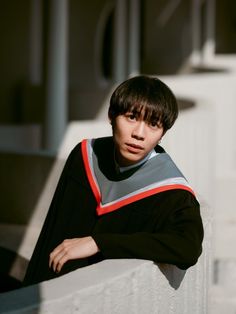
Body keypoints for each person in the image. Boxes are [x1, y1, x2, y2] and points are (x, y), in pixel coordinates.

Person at [23, 75, 203, 286]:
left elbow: (188, 249)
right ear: (111, 116)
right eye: (132, 117)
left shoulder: (172, 191)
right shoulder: (84, 156)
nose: (139, 134)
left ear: (162, 133)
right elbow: (52, 231)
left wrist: (100, 242)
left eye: (153, 124)